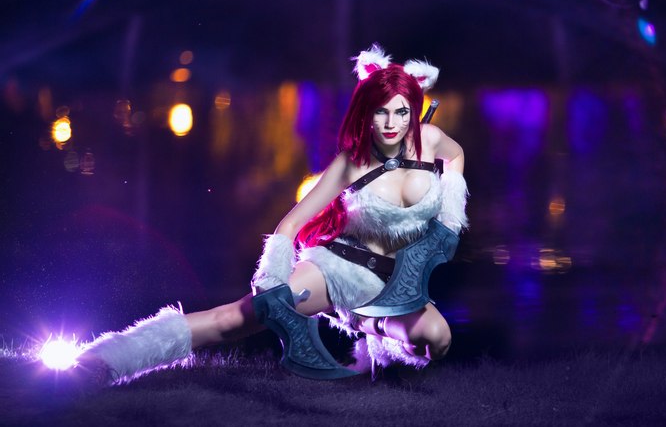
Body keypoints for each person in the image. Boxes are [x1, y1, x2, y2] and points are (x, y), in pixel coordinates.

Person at [77, 44, 469, 384]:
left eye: (401, 112)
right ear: (366, 112)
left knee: (437, 339)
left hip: (398, 283)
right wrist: (272, 279)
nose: (391, 124)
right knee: (234, 319)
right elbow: (292, 223)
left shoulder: (430, 139)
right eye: (381, 113)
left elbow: (456, 157)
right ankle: (107, 361)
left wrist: (450, 216)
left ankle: (368, 327)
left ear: (413, 109)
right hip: (340, 273)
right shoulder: (353, 162)